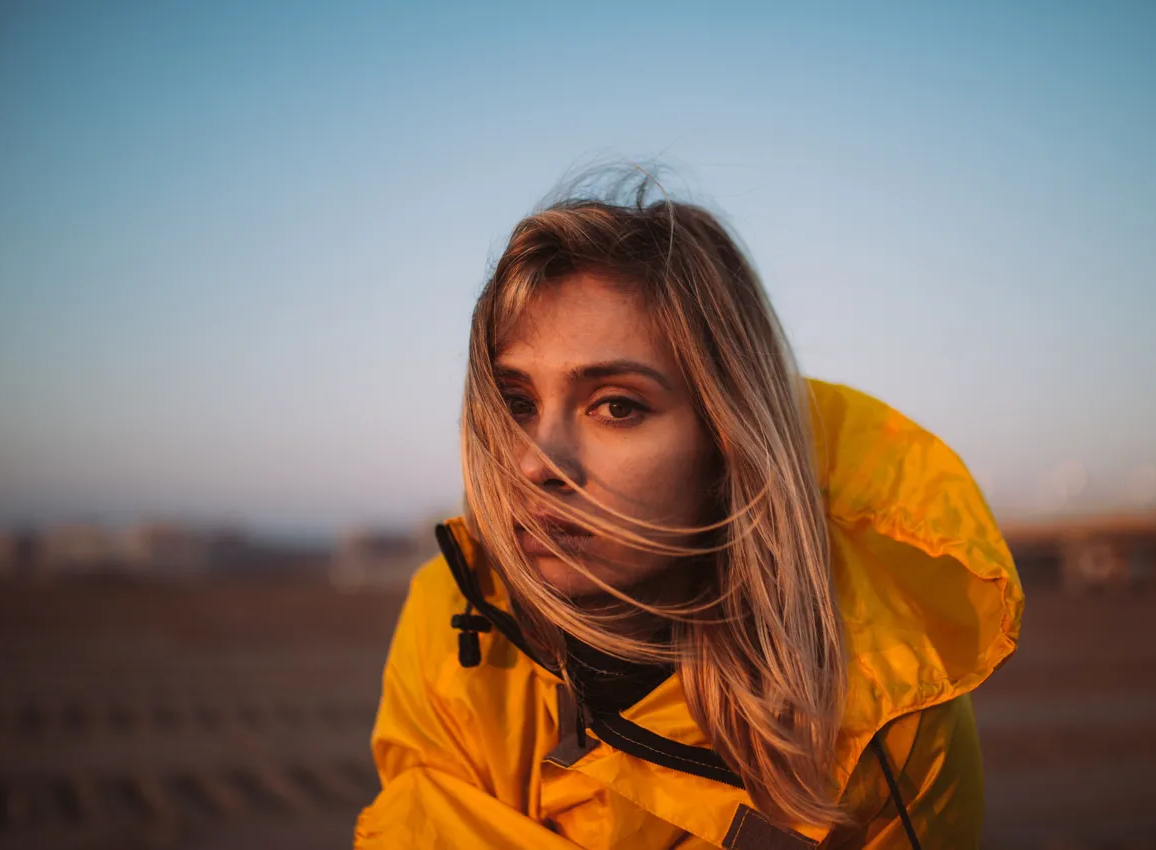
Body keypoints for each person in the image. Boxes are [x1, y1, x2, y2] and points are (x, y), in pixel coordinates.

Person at [355, 171, 1023, 849]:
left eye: (617, 406)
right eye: (517, 404)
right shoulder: (450, 617)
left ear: (725, 436)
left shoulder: (886, 702)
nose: (534, 463)